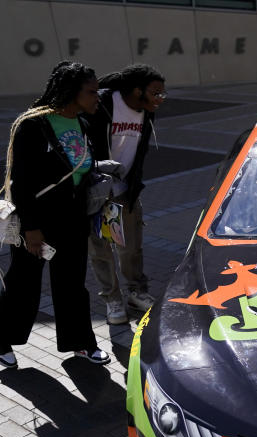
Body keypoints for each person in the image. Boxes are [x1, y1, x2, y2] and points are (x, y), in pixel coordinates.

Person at [0, 61, 111, 368]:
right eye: (92, 91)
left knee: (71, 283)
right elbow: (21, 181)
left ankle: (80, 342)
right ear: (71, 91)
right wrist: (31, 228)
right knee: (24, 283)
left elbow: (80, 170)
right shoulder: (33, 124)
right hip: (38, 223)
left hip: (73, 221)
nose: (98, 97)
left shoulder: (83, 122)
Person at [85, 64, 165, 324]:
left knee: (131, 247)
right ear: (136, 90)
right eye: (155, 93)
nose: (160, 99)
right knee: (101, 249)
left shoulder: (147, 112)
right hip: (97, 190)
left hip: (126, 190)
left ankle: (135, 292)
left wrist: (133, 184)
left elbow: (138, 151)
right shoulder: (105, 102)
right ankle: (112, 299)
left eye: (162, 94)